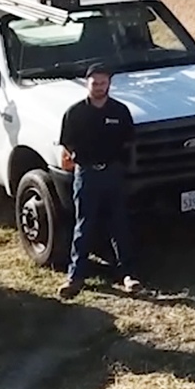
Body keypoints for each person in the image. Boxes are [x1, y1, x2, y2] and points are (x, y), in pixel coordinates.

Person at [57, 65, 140, 298]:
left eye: (103, 83)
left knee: (119, 225)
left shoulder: (120, 111)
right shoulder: (75, 113)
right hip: (87, 175)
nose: (99, 87)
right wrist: (80, 158)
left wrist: (124, 168)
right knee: (84, 226)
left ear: (109, 84)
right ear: (87, 83)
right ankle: (75, 277)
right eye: (95, 83)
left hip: (113, 173)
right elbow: (67, 142)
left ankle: (128, 275)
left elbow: (129, 141)